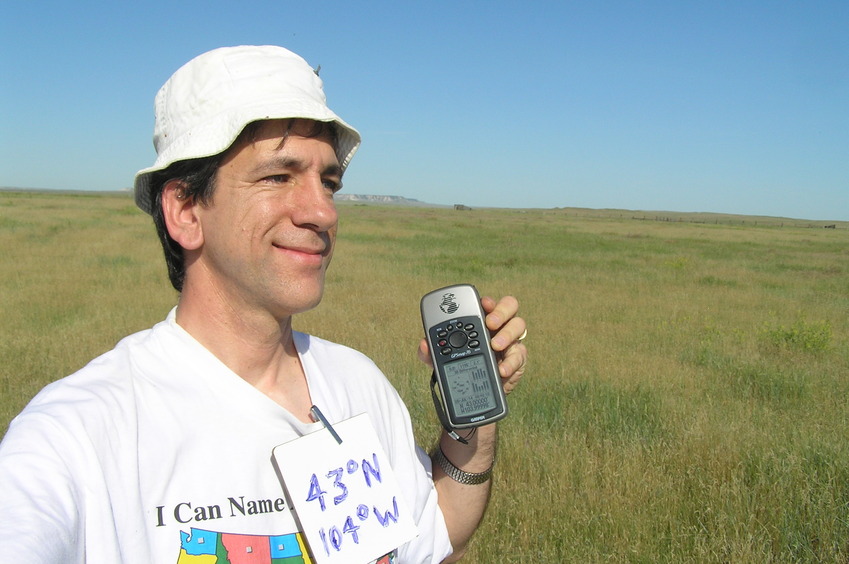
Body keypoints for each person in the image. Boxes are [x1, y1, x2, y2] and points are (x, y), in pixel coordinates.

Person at [0, 45, 527, 563]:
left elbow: (433, 533)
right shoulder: (75, 437)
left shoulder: (358, 384)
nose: (323, 212)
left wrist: (474, 418)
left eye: (329, 182)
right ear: (185, 210)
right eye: (278, 176)